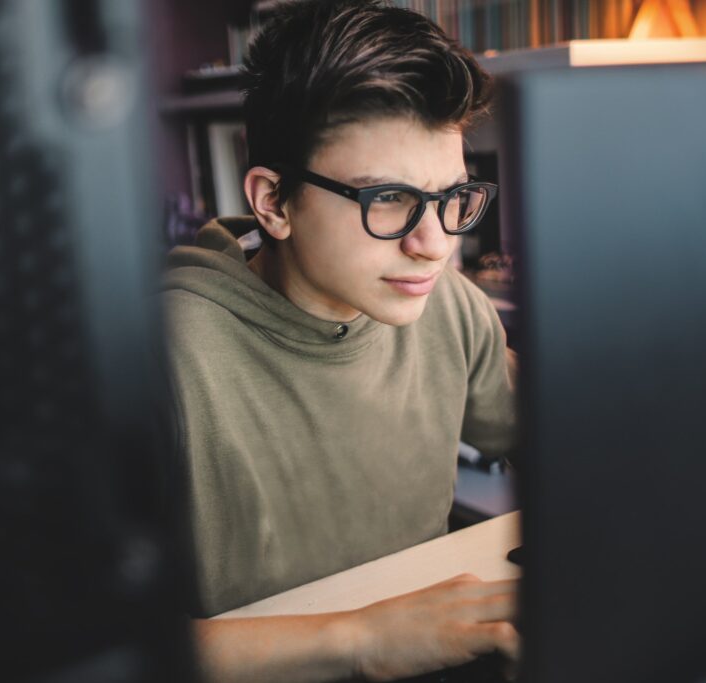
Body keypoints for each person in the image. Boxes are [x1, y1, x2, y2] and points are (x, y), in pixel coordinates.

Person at [162, 1, 518, 679]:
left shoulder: (449, 304)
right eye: (386, 198)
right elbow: (74, 649)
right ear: (273, 202)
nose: (435, 244)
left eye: (453, 198)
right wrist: (360, 635)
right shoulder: (163, 359)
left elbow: (573, 432)